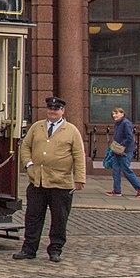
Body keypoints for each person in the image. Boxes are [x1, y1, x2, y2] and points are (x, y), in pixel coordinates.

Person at [15, 96, 86, 263]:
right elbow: (25, 146)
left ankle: (55, 250)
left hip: (60, 183)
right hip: (37, 181)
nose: (52, 112)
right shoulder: (37, 127)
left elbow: (78, 155)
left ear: (62, 111)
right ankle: (29, 249)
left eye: (56, 109)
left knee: (59, 219)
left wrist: (79, 178)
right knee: (33, 217)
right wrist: (28, 164)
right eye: (50, 109)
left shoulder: (71, 130)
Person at [106, 107, 140, 198]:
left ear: (122, 114)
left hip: (125, 151)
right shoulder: (118, 123)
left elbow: (130, 138)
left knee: (126, 170)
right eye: (113, 114)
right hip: (117, 151)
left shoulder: (126, 123)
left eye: (116, 113)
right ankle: (117, 191)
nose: (114, 115)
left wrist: (121, 146)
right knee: (116, 170)